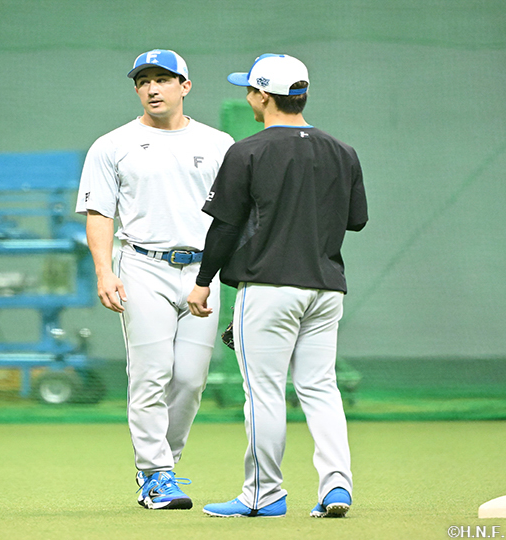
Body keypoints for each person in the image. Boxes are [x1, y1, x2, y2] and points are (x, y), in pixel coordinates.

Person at [187, 54, 368, 518]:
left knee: (264, 392)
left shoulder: (247, 151)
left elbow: (224, 228)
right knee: (320, 388)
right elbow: (357, 220)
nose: (247, 96)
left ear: (263, 95)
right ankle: (337, 488)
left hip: (268, 288)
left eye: (249, 89)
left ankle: (262, 495)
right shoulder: (342, 150)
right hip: (326, 289)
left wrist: (203, 281)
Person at [76, 49, 234, 510]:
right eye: (143, 80)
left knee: (189, 379)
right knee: (151, 374)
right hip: (142, 265)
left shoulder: (220, 143)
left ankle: (167, 465)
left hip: (203, 272)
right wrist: (105, 271)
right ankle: (156, 474)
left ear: (185, 86)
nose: (152, 88)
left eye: (163, 79)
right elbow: (99, 212)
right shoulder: (112, 144)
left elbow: (236, 217)